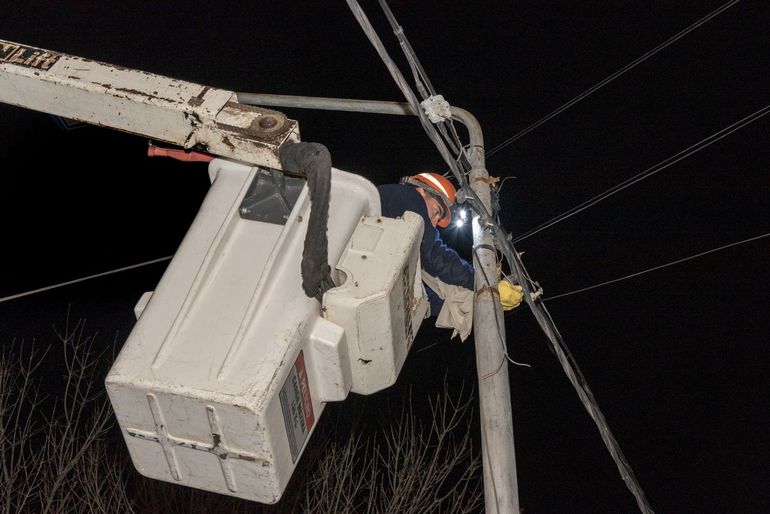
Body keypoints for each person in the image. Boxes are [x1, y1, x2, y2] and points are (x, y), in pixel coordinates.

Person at [377, 172, 523, 319]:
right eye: (436, 212)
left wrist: (477, 298)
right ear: (421, 190)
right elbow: (436, 256)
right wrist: (483, 283)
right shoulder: (408, 196)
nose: (434, 223)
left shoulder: (400, 239)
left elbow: (424, 301)